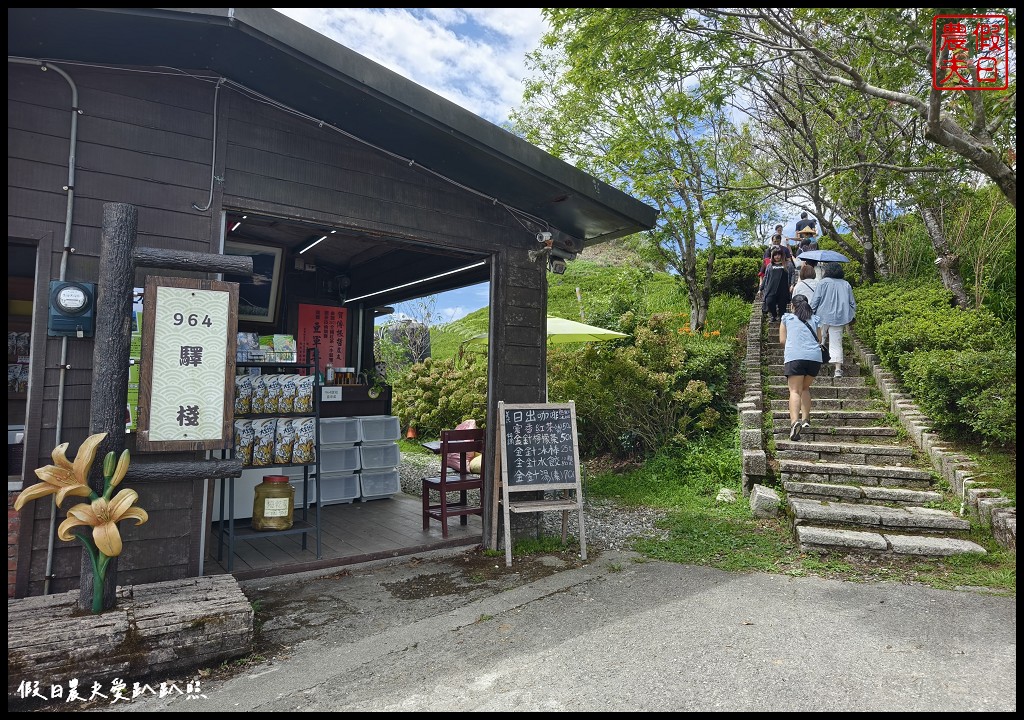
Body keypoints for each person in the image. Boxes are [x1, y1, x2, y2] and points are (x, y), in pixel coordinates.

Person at [779, 294, 824, 441]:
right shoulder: (815, 319)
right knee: (804, 388)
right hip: (814, 359)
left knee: (795, 391)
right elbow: (819, 340)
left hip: (795, 358)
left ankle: (794, 422)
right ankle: (806, 420)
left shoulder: (787, 318)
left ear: (792, 306)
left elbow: (782, 340)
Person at [809, 262, 857, 378]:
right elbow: (852, 303)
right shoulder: (846, 284)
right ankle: (838, 369)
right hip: (839, 317)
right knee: (836, 342)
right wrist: (850, 315)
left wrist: (810, 312)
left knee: (819, 340)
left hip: (822, 316)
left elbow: (816, 300)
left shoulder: (823, 283)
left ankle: (816, 364)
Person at [760, 246, 790, 323]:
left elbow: (791, 275)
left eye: (779, 254)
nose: (777, 256)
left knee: (782, 307)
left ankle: (782, 320)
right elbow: (766, 277)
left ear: (781, 255)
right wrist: (761, 288)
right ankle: (774, 315)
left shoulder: (786, 265)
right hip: (771, 289)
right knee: (769, 302)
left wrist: (792, 284)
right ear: (772, 256)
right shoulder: (769, 266)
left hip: (783, 290)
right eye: (775, 255)